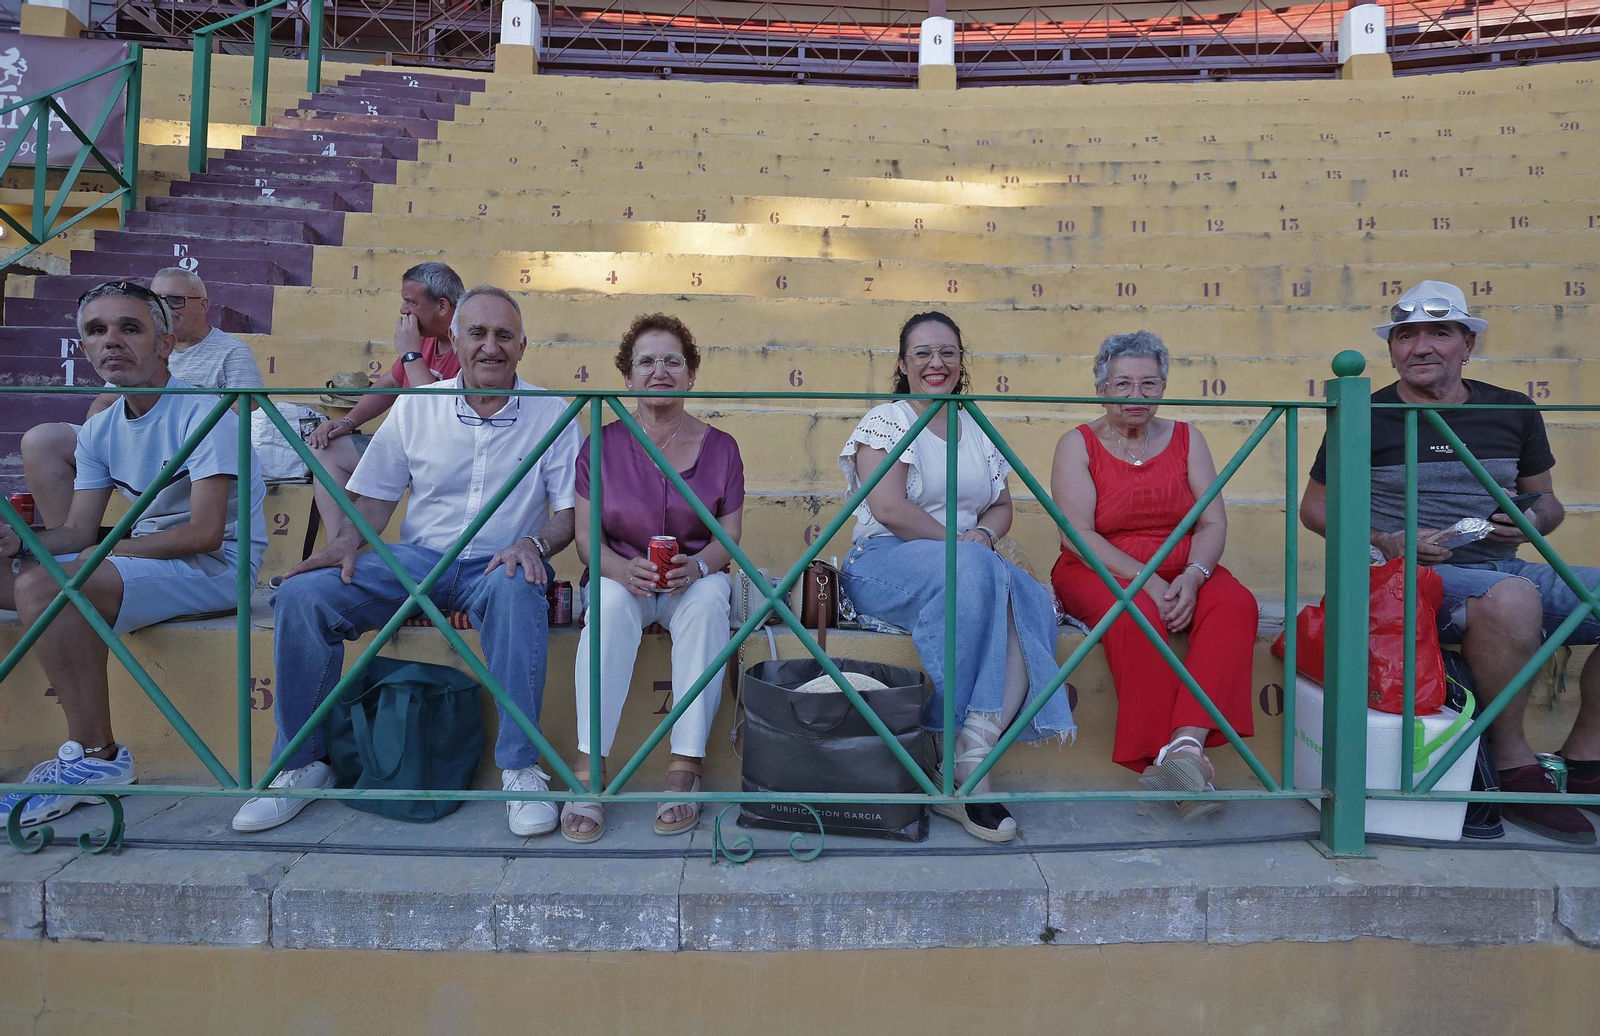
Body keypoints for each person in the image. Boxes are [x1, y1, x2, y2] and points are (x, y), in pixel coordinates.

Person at [231, 285, 582, 837]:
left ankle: (519, 768)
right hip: (416, 562)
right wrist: (345, 542)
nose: (490, 346)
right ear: (455, 340)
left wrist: (533, 546)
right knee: (303, 595)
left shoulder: (555, 413)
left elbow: (567, 515)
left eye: (503, 335)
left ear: (522, 346)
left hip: (498, 565)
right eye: (477, 334)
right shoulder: (419, 407)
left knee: (518, 592)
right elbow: (375, 497)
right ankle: (303, 764)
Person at [1300, 279, 1600, 845]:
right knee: (1513, 599)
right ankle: (1512, 763)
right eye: (1406, 335)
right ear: (1392, 349)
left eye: (1439, 333)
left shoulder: (1514, 410)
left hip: (1502, 565)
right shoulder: (1369, 411)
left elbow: (1549, 502)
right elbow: (1314, 507)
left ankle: (1587, 757)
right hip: (1402, 579)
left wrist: (1533, 522)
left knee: (1520, 589)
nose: (1420, 347)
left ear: (1468, 344)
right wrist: (1386, 540)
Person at [0, 281, 266, 828]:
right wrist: (22, 542)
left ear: (165, 344)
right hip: (149, 562)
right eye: (96, 331)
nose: (111, 341)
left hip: (217, 570)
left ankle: (97, 760)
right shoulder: (100, 429)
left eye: (130, 328)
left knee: (47, 586)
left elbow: (205, 534)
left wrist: (102, 551)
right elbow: (74, 530)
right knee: (24, 573)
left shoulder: (206, 413)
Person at [836, 311, 1073, 844]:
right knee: (983, 574)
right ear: (902, 363)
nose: (936, 363)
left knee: (1027, 594)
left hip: (970, 563)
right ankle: (966, 763)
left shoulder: (974, 424)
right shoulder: (887, 419)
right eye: (922, 352)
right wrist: (964, 548)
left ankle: (972, 753)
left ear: (962, 360)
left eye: (948, 351)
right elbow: (891, 508)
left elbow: (1001, 506)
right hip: (885, 560)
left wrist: (984, 539)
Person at [1049, 331, 1258, 818]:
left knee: (1236, 605)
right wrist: (1149, 579)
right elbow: (1077, 535)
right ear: (1101, 389)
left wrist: (1194, 574)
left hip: (1185, 565)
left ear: (1164, 387)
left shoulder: (1188, 437)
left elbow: (1212, 521)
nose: (1136, 397)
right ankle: (1170, 764)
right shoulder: (1076, 444)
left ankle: (1185, 747)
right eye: (1123, 385)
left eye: (1148, 384)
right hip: (1100, 567)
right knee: (1138, 612)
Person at [559, 314, 744, 843]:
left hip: (691, 581)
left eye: (672, 361)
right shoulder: (601, 444)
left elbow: (728, 538)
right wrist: (620, 569)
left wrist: (701, 565)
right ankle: (589, 773)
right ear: (628, 375)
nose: (659, 371)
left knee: (712, 600)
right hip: (622, 574)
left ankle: (684, 769)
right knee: (610, 607)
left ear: (690, 375)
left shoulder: (723, 447)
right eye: (646, 361)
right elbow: (584, 539)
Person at [20, 266, 264, 528]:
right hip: (135, 440)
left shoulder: (230, 350)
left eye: (175, 300)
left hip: (192, 445)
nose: (165, 307)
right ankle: (66, 545)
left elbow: (246, 405)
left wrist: (175, 428)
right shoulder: (127, 352)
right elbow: (104, 401)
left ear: (203, 305)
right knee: (42, 441)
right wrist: (111, 438)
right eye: (157, 300)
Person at [304, 262, 463, 536]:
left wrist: (410, 354)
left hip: (446, 458)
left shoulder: (470, 344)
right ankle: (337, 550)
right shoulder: (424, 337)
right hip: (405, 450)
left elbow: (439, 415)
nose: (403, 310)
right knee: (324, 448)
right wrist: (348, 421)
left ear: (442, 306)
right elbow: (391, 382)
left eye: (410, 302)